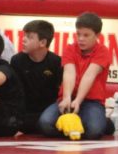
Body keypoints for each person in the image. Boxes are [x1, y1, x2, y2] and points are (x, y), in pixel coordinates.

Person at [38, 12, 113, 140]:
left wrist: (78, 100)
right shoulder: (70, 49)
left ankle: (103, 122)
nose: (81, 39)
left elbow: (89, 75)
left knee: (94, 132)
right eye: (78, 34)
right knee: (45, 124)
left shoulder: (103, 52)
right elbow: (69, 72)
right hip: (68, 98)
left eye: (86, 35)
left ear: (97, 36)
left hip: (92, 101)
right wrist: (67, 98)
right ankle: (77, 124)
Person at [10, 19, 62, 134]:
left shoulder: (56, 62)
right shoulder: (17, 60)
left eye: (29, 37)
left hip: (48, 110)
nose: (23, 39)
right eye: (24, 35)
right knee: (12, 122)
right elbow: (15, 92)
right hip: (24, 111)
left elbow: (59, 92)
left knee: (47, 123)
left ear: (42, 42)